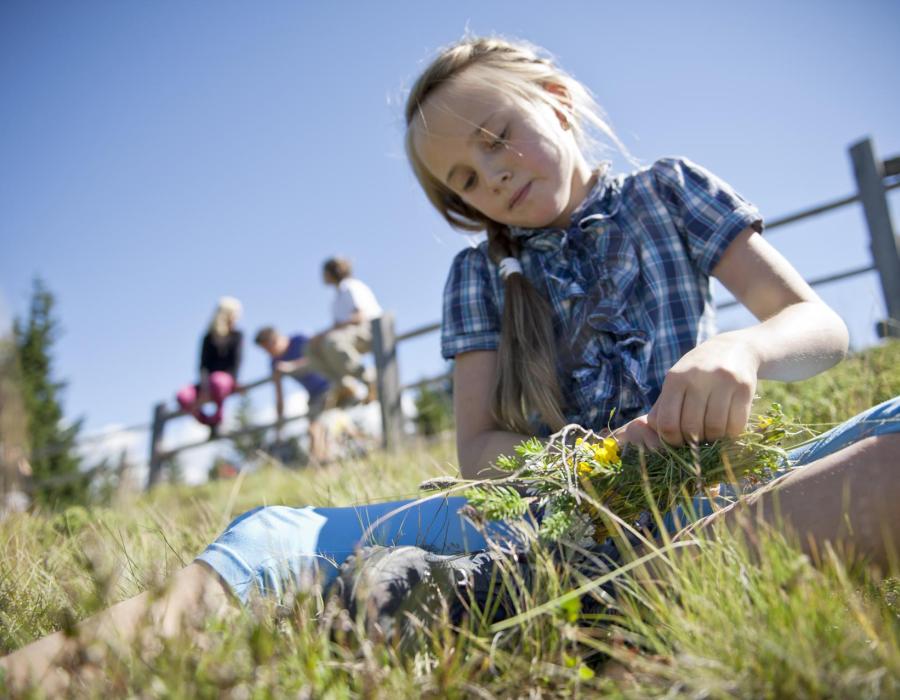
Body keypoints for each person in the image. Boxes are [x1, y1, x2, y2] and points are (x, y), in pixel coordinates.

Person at [3, 36, 898, 693]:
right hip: (537, 515)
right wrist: (579, 472)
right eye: (464, 179)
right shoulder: (479, 276)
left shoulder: (670, 191)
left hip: (712, 484)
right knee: (276, 532)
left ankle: (567, 596)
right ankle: (52, 674)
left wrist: (741, 346)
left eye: (498, 136)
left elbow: (816, 323)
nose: (493, 176)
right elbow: (479, 445)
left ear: (555, 95)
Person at [283, 257, 382, 405]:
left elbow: (359, 316)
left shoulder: (351, 286)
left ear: (331, 273)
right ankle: (344, 385)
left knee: (331, 341)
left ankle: (369, 378)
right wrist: (320, 337)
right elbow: (337, 325)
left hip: (370, 329)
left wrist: (326, 334)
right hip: (349, 333)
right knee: (310, 349)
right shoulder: (336, 298)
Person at [254, 326, 332, 464]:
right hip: (314, 395)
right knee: (315, 431)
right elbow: (279, 395)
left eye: (268, 349)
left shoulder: (300, 340)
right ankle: (321, 466)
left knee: (317, 429)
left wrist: (291, 366)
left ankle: (321, 465)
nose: (269, 354)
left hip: (331, 385)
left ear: (274, 341)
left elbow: (321, 355)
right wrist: (279, 422)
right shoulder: (275, 363)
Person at [175, 297, 243, 435]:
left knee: (217, 381)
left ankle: (219, 418)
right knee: (183, 396)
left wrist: (234, 381)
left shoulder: (237, 335)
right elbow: (203, 365)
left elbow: (236, 363)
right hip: (207, 382)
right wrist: (205, 387)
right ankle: (207, 422)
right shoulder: (208, 337)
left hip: (223, 381)